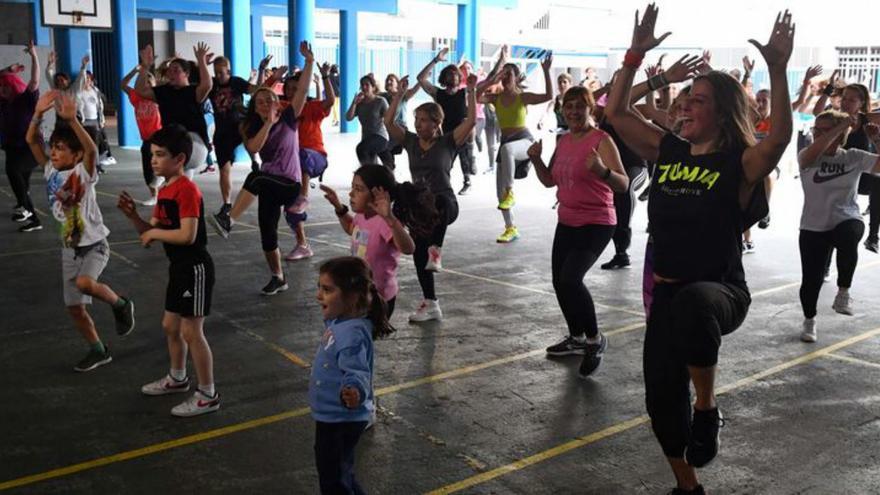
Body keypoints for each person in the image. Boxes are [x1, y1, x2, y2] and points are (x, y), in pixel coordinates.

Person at [605, 5, 793, 493]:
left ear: (723, 111)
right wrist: (634, 57)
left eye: (699, 101)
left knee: (692, 306)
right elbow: (616, 112)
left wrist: (777, 66)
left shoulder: (740, 163)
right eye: (685, 99)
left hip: (720, 291)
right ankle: (687, 486)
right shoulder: (668, 150)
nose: (686, 107)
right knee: (660, 404)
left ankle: (707, 408)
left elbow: (779, 143)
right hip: (665, 297)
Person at [26, 90, 136, 372]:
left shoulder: (84, 173)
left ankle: (121, 304)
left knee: (85, 284)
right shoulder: (51, 171)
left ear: (74, 154)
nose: (53, 151)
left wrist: (72, 120)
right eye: (54, 147)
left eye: (61, 148)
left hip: (94, 244)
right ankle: (98, 350)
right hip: (69, 248)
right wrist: (38, 114)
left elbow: (91, 150)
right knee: (75, 307)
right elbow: (31, 140)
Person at [117, 124, 220, 417]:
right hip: (179, 268)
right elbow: (150, 234)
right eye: (152, 154)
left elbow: (187, 235)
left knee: (191, 331)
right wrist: (134, 217)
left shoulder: (187, 190)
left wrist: (154, 235)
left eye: (160, 155)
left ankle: (208, 394)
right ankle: (177, 378)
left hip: (195, 268)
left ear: (180, 160)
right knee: (170, 326)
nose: (153, 160)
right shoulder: (165, 190)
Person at [526, 85, 629, 377]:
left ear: (589, 109)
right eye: (568, 107)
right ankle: (576, 337)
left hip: (597, 222)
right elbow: (549, 181)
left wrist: (602, 171)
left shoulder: (602, 140)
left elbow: (623, 184)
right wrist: (535, 159)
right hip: (567, 220)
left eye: (579, 107)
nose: (573, 112)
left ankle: (595, 340)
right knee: (560, 282)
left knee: (571, 278)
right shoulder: (563, 140)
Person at [210, 42, 315, 296]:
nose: (267, 104)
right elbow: (255, 148)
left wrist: (310, 62)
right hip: (269, 183)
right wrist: (268, 123)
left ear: (278, 101)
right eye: (261, 102)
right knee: (267, 234)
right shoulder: (250, 127)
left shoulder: (289, 117)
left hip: (289, 184)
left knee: (255, 177)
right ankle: (278, 277)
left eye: (271, 100)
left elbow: (301, 90)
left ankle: (229, 220)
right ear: (255, 108)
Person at [385, 75, 476, 321]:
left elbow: (471, 120)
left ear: (436, 123)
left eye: (423, 120)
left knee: (440, 202)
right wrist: (398, 96)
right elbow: (388, 120)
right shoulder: (411, 142)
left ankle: (437, 250)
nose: (418, 124)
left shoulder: (448, 142)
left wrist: (473, 92)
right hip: (420, 208)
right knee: (417, 253)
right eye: (416, 119)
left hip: (445, 205)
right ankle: (431, 303)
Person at [311, 256, 393, 494]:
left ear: (353, 296)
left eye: (327, 290)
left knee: (333, 479)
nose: (319, 295)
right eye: (320, 288)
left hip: (341, 419)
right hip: (332, 416)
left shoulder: (352, 334)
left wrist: (354, 391)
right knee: (340, 473)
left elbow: (357, 371)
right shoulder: (341, 322)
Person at [796, 110, 880, 342]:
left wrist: (876, 139)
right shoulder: (808, 156)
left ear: (841, 134)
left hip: (846, 217)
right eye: (817, 130)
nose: (819, 134)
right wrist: (838, 126)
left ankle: (843, 291)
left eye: (825, 130)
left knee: (849, 232)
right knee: (810, 281)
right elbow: (810, 154)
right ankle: (809, 319)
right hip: (814, 225)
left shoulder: (852, 156)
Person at [321, 165, 436, 318]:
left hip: (379, 297)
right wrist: (338, 207)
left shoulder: (384, 223)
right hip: (360, 291)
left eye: (359, 189)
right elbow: (351, 228)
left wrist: (390, 218)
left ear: (377, 195)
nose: (351, 193)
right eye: (352, 187)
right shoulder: (361, 216)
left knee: (362, 335)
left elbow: (408, 248)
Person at [478, 47, 553, 243]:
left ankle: (510, 190)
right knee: (499, 193)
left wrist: (545, 71)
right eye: (503, 75)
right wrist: (493, 77)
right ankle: (510, 228)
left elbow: (548, 96)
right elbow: (477, 96)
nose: (505, 78)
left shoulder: (523, 97)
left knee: (507, 150)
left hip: (524, 141)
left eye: (508, 74)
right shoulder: (496, 98)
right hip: (506, 143)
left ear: (518, 77)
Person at [283, 62, 336, 262]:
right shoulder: (283, 108)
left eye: (297, 89)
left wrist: (325, 77)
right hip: (292, 165)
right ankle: (302, 245)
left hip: (315, 157)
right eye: (289, 89)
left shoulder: (312, 107)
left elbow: (330, 100)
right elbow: (261, 100)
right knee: (289, 208)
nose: (292, 92)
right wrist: (266, 75)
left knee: (302, 154)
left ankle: (303, 197)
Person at [134, 44, 212, 179]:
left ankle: (162, 184)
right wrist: (145, 67)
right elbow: (140, 90)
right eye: (169, 71)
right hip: (174, 142)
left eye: (176, 70)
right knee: (179, 181)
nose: (171, 74)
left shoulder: (193, 91)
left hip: (195, 144)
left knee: (171, 147)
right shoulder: (163, 91)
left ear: (186, 74)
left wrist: (201, 61)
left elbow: (207, 85)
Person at [208, 55, 269, 215]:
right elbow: (197, 84)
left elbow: (257, 90)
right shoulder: (212, 85)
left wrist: (261, 70)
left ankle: (254, 161)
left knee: (243, 126)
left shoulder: (236, 82)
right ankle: (227, 203)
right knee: (224, 170)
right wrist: (202, 62)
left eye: (221, 73)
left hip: (239, 125)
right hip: (222, 132)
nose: (218, 76)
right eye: (215, 72)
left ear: (228, 71)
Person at [417, 48, 477, 194]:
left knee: (463, 152)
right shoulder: (438, 93)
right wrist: (436, 60)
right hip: (445, 133)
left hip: (463, 132)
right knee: (443, 162)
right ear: (444, 78)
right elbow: (421, 79)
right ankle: (440, 184)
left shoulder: (465, 92)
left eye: (456, 74)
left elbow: (487, 81)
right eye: (450, 74)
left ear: (459, 77)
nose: (453, 76)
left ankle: (468, 177)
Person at [1, 40, 42, 232]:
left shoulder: (26, 99)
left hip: (30, 148)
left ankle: (25, 208)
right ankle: (33, 220)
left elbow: (34, 81)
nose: (1, 90)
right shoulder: (4, 102)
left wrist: (34, 56)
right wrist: (8, 69)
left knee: (13, 171)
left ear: (12, 86)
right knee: (22, 184)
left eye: (4, 87)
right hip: (12, 146)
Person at [121, 64, 163, 205]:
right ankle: (154, 196)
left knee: (161, 166)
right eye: (143, 84)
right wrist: (135, 71)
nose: (146, 86)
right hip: (146, 139)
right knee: (148, 171)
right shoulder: (137, 98)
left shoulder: (158, 97)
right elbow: (123, 84)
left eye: (149, 83)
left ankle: (164, 192)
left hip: (160, 138)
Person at [346, 74, 393, 168]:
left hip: (380, 136)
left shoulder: (380, 101)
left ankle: (369, 173)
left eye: (367, 84)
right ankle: (372, 178)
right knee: (371, 163)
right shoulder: (359, 103)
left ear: (373, 87)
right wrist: (354, 103)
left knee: (361, 149)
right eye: (362, 85)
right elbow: (348, 117)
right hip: (367, 138)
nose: (364, 87)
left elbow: (389, 118)